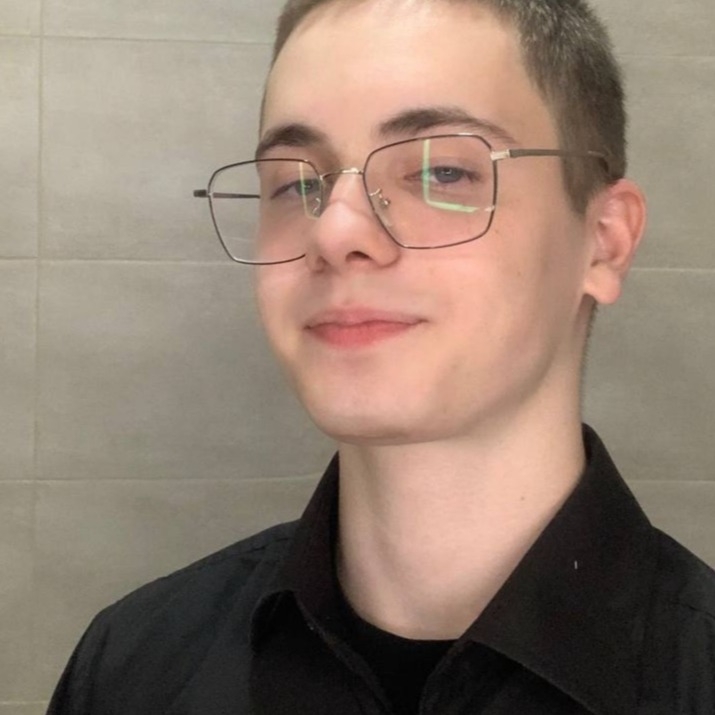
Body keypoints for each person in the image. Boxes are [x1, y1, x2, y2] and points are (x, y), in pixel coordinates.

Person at [47, 0, 715, 713]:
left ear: (604, 240)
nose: (334, 232)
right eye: (297, 183)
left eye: (442, 172)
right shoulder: (131, 668)